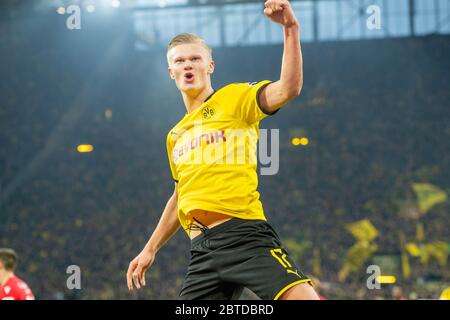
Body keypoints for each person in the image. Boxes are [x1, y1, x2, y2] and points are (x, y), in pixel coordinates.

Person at [127, 0, 319, 300]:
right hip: (202, 252)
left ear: (210, 65)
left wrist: (290, 29)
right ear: (170, 71)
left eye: (194, 58)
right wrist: (149, 249)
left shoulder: (233, 98)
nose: (187, 65)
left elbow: (289, 87)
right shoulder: (174, 136)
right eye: (179, 61)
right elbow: (180, 195)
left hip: (244, 236)